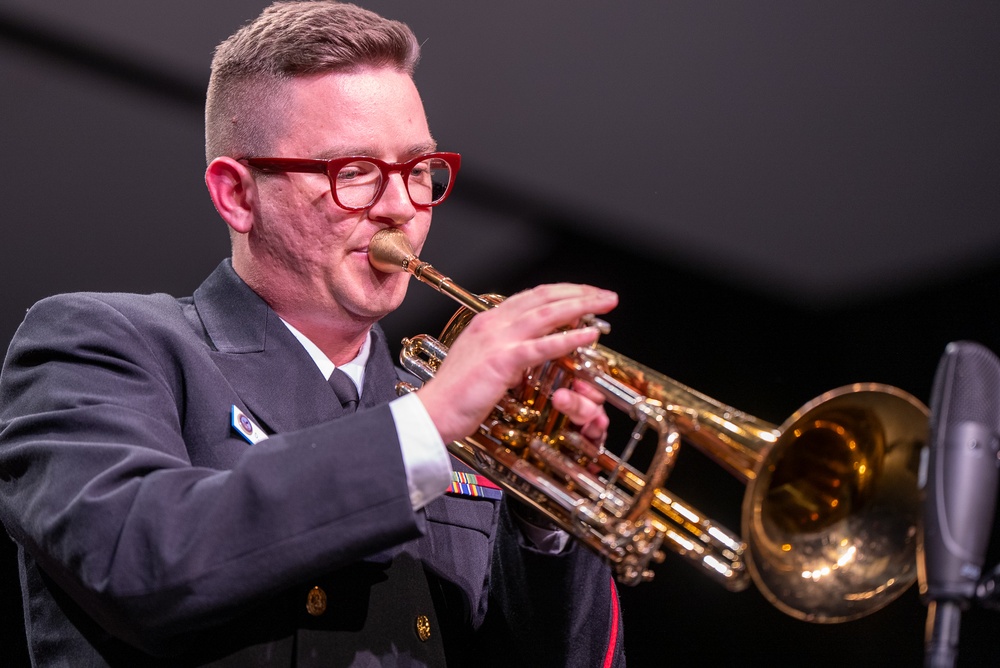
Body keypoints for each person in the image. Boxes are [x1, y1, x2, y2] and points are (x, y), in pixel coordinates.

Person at [0, 2, 625, 666]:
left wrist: (546, 526)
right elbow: (142, 560)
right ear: (238, 195)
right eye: (353, 172)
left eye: (417, 169)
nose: (401, 207)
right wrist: (429, 419)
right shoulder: (98, 343)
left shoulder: (463, 421)